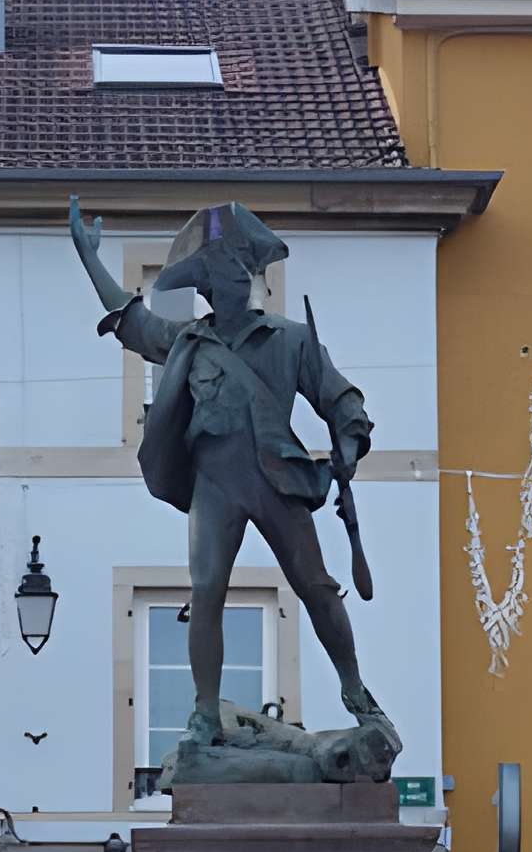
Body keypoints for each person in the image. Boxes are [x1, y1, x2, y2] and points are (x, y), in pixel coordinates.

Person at [66, 196, 385, 748]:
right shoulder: (187, 343)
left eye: (242, 270)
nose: (237, 279)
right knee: (207, 590)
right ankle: (206, 712)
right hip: (215, 482)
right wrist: (90, 258)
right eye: (224, 272)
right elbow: (130, 319)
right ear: (208, 289)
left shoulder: (291, 339)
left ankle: (356, 691)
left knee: (316, 587)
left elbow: (339, 398)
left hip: (277, 478)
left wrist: (350, 445)